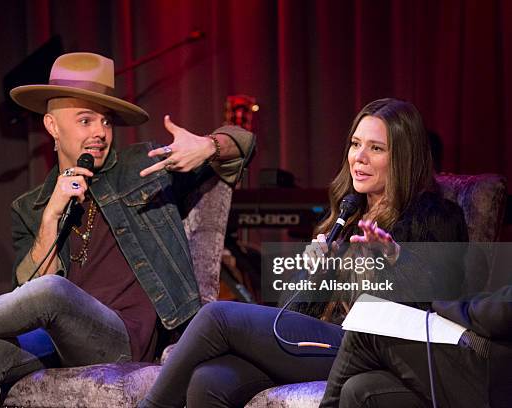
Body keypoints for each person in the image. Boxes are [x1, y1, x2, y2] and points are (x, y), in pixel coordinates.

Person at [0, 52, 255, 407]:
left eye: (106, 122)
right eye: (86, 121)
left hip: (125, 339)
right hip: (59, 338)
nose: (100, 132)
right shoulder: (30, 206)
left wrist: (208, 145)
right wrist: (51, 217)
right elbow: (25, 297)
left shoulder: (144, 166)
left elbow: (244, 143)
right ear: (52, 126)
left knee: (53, 290)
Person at [138, 98, 468, 408]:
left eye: (376, 148)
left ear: (403, 158)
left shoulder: (437, 216)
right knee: (209, 380)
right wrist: (313, 272)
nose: (359, 157)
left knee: (218, 316)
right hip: (325, 344)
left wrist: (397, 261)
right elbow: (288, 316)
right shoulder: (347, 214)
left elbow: (443, 307)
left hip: (373, 351)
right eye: (355, 144)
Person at [319, 286, 512, 408]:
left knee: (366, 327)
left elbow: (500, 314)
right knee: (359, 391)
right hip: (492, 369)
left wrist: (442, 303)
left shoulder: (435, 222)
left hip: (497, 381)